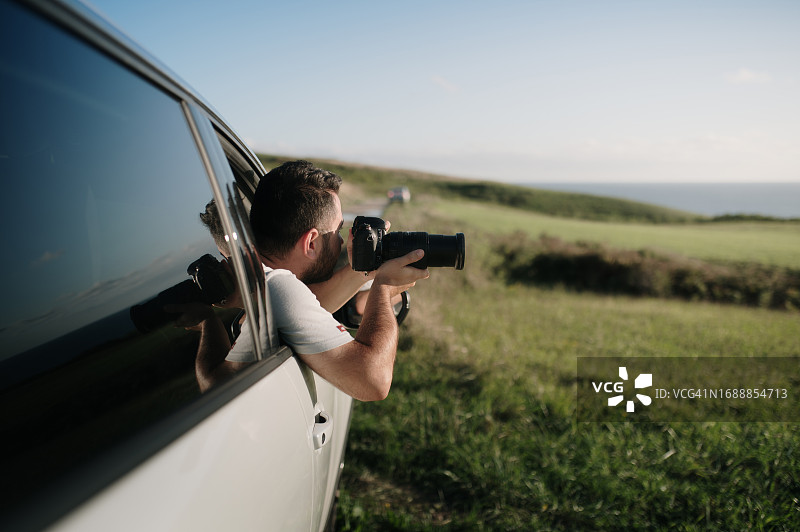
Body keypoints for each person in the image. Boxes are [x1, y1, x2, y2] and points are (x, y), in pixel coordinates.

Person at [175, 160, 429, 400]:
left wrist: (365, 270)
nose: (341, 241)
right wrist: (383, 287)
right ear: (311, 242)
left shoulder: (269, 289)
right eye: (337, 231)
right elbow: (374, 381)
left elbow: (310, 304)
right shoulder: (277, 287)